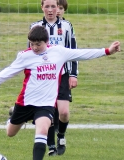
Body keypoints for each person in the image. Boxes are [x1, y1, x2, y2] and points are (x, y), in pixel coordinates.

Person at [0, 25, 121, 160]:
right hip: (26, 102)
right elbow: (8, 72)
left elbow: (82, 53)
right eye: (32, 44)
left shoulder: (58, 52)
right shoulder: (25, 56)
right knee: (10, 133)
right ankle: (12, 116)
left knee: (42, 132)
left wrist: (107, 51)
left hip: (46, 104)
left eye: (38, 44)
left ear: (46, 41)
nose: (34, 47)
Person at [30, 0, 77, 155]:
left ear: (58, 8)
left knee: (63, 112)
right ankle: (50, 145)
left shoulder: (66, 26)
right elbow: (30, 53)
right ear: (42, 7)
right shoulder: (36, 27)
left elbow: (73, 51)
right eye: (47, 6)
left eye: (53, 7)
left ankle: (61, 136)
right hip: (44, 76)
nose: (50, 10)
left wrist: (73, 74)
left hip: (62, 74)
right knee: (47, 111)